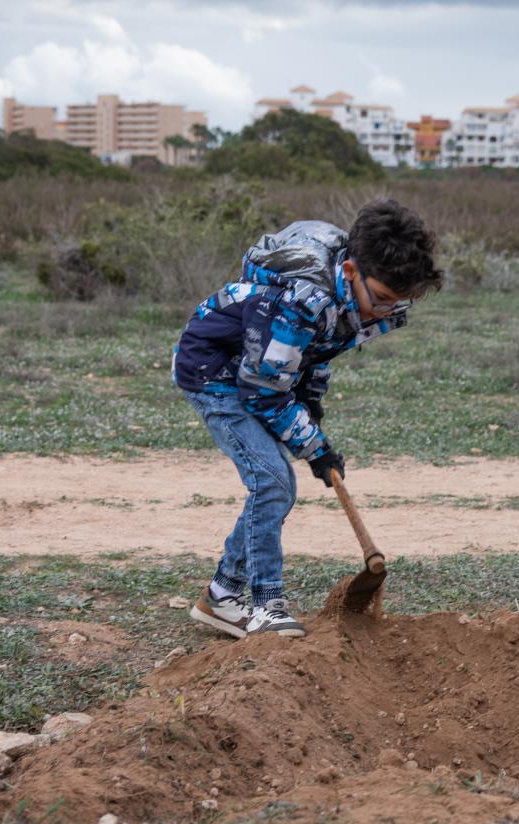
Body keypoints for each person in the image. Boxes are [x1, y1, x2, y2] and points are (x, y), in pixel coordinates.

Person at [172, 198, 443, 638]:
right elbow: (262, 390)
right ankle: (265, 605)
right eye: (386, 299)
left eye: (402, 302)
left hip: (260, 375)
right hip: (215, 373)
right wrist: (315, 448)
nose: (389, 311)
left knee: (272, 483)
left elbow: (315, 352)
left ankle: (221, 596)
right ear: (353, 271)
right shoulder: (305, 298)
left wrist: (309, 410)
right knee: (273, 482)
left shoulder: (350, 296)